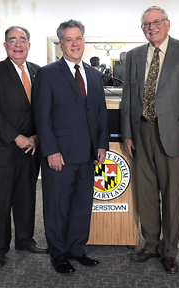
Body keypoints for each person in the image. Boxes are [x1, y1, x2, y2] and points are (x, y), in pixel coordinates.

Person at [120, 6, 179, 273]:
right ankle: (151, 243)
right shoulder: (133, 56)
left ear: (168, 24)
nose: (151, 27)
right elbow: (128, 98)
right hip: (142, 131)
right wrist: (127, 133)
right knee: (145, 193)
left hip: (174, 135)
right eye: (146, 24)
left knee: (171, 195)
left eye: (156, 22)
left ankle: (170, 250)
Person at [33, 19, 108, 274]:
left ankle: (77, 248)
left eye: (78, 38)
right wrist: (51, 150)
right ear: (61, 44)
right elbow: (41, 117)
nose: (75, 44)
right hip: (59, 155)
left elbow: (100, 113)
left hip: (88, 154)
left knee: (81, 204)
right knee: (57, 205)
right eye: (69, 40)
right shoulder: (47, 73)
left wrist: (101, 145)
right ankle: (59, 253)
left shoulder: (94, 74)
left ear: (83, 41)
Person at [0, 26, 47, 268]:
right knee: (1, 201)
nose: (18, 45)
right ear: (5, 45)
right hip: (4, 148)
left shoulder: (39, 72)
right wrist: (16, 137)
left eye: (23, 40)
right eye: (12, 41)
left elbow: (43, 111)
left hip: (32, 148)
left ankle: (25, 239)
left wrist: (38, 137)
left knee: (27, 197)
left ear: (29, 45)